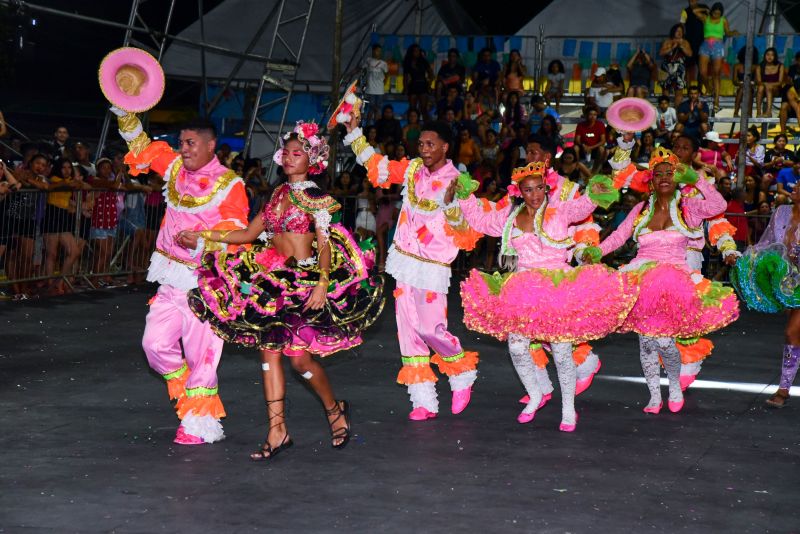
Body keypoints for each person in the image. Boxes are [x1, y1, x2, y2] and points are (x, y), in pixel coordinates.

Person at [183, 121, 384, 459]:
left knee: (299, 360)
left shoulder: (316, 198)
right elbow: (247, 234)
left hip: (304, 281)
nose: (290, 158)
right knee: (269, 353)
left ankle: (334, 409)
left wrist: (322, 282)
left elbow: (323, 245)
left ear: (312, 159)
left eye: (298, 153)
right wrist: (205, 237)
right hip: (271, 279)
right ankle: (277, 430)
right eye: (286, 153)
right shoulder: (276, 194)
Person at [110, 106, 250, 445]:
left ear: (210, 145)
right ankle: (191, 391)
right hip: (171, 277)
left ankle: (197, 425)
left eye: (190, 143)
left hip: (206, 282)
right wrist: (126, 113)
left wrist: (204, 239)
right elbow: (142, 148)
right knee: (154, 344)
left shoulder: (229, 184)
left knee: (202, 353)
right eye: (181, 142)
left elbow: (237, 228)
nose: (184, 148)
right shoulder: (173, 168)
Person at [451, 162, 628, 431]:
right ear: (519, 191)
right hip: (523, 288)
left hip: (558, 288)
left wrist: (595, 191)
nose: (535, 194)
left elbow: (583, 207)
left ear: (547, 187)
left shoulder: (559, 211)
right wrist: (465, 196)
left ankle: (568, 409)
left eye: (539, 188)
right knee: (517, 346)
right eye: (528, 189)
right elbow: (480, 221)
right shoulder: (510, 218)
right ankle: (535, 395)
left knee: (560, 350)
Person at [343, 117, 481, 421]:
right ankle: (423, 400)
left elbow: (465, 231)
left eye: (431, 144)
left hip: (432, 264)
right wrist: (353, 131)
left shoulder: (458, 181)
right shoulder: (412, 169)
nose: (425, 149)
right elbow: (377, 165)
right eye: (421, 144)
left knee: (430, 328)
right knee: (408, 332)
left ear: (446, 147)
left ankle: (461, 370)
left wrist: (450, 206)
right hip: (404, 260)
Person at [587, 147, 738, 413]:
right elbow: (619, 236)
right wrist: (597, 250)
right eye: (659, 174)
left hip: (674, 280)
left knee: (666, 342)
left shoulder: (688, 206)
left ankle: (675, 388)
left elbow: (719, 206)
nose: (665, 177)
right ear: (652, 180)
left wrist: (696, 179)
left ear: (678, 177)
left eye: (670, 173)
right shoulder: (642, 208)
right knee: (646, 342)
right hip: (641, 280)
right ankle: (655, 395)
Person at [732, 185, 800, 407]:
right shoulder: (781, 211)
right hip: (788, 285)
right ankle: (784, 388)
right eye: (797, 182)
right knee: (793, 335)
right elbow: (766, 243)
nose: (796, 187)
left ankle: (783, 390)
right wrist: (746, 260)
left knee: (792, 332)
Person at [43, 158, 85, 295]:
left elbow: (83, 186)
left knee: (74, 251)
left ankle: (58, 282)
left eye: (68, 167)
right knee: (52, 253)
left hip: (63, 216)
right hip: (52, 214)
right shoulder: (55, 179)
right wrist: (75, 183)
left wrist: (76, 183)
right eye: (63, 167)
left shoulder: (69, 181)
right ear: (58, 168)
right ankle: (51, 284)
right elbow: (62, 185)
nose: (66, 170)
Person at [695, 1, 739, 111]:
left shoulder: (723, 20)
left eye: (719, 14)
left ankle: (716, 100)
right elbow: (694, 11)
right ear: (712, 11)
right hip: (705, 45)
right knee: (702, 73)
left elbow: (727, 32)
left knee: (716, 74)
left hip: (718, 46)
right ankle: (709, 89)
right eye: (715, 13)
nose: (716, 15)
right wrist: (705, 10)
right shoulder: (706, 18)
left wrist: (733, 32)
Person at [659, 24, 692, 107]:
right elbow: (661, 53)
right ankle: (665, 112)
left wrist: (681, 46)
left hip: (679, 67)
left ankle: (677, 113)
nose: (679, 33)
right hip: (666, 67)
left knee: (679, 91)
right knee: (665, 90)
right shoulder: (667, 41)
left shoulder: (685, 42)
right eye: (677, 31)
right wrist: (672, 48)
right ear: (673, 32)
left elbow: (690, 54)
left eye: (681, 31)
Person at [403, 44, 433, 115]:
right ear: (411, 52)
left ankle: (426, 125)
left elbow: (431, 74)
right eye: (415, 51)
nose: (417, 52)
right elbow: (405, 77)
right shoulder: (408, 62)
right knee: (412, 109)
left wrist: (429, 85)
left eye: (418, 51)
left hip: (423, 84)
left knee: (424, 109)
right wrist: (406, 88)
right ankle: (412, 124)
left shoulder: (423, 61)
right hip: (413, 84)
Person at [574, 106, 607, 171]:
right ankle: (577, 168)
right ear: (586, 115)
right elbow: (577, 140)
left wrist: (591, 147)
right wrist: (583, 145)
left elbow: (603, 140)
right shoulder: (580, 125)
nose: (592, 117)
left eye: (594, 115)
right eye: (590, 114)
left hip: (595, 148)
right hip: (583, 148)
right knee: (575, 148)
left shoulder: (600, 125)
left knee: (601, 149)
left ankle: (596, 170)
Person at [755, 47, 783, 118]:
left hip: (776, 90)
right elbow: (758, 81)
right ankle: (758, 112)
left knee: (769, 87)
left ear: (775, 56)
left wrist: (769, 85)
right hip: (763, 90)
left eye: (772, 55)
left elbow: (780, 82)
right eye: (768, 54)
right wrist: (766, 84)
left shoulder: (780, 66)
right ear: (764, 56)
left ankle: (768, 112)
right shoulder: (760, 66)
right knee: (761, 87)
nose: (769, 57)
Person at [364, 44, 388, 123]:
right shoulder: (368, 60)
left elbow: (387, 74)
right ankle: (368, 125)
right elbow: (362, 69)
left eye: (380, 51)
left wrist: (384, 82)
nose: (379, 53)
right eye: (377, 51)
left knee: (378, 108)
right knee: (371, 108)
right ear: (373, 51)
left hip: (380, 89)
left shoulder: (383, 63)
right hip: (370, 89)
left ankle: (377, 126)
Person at [732, 45, 758, 118]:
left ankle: (749, 113)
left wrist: (750, 83)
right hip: (739, 87)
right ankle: (736, 113)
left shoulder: (755, 67)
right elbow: (734, 81)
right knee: (742, 90)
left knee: (748, 89)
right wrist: (740, 83)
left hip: (752, 88)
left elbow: (756, 81)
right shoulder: (737, 66)